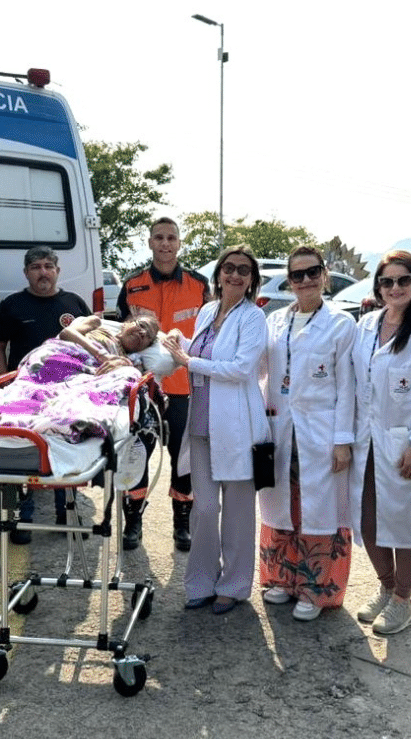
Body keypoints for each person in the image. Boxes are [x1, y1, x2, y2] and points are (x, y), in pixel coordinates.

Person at [163, 245, 271, 615]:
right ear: (219, 274)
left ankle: (234, 586)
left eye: (243, 270)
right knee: (205, 509)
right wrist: (180, 342)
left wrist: (189, 360)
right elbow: (203, 354)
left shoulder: (253, 318)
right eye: (229, 268)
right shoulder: (209, 310)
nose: (235, 275)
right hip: (201, 425)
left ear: (252, 280)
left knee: (239, 512)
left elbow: (240, 369)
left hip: (237, 427)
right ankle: (200, 582)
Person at [350, 250, 411, 634]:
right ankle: (386, 588)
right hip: (368, 440)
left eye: (403, 280)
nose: (395, 288)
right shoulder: (367, 325)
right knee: (369, 519)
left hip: (406, 442)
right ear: (378, 287)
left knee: (405, 525)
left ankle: (404, 601)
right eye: (387, 281)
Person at [257, 245, 356, 622]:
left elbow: (347, 387)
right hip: (282, 425)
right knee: (283, 503)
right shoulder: (276, 321)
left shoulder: (341, 324)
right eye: (296, 275)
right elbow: (261, 370)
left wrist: (343, 440)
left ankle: (317, 589)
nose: (304, 281)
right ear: (289, 280)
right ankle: (283, 579)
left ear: (324, 275)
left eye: (311, 272)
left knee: (320, 509)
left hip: (321, 430)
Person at [117, 217, 210, 552]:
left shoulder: (199, 285)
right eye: (159, 238)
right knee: (137, 452)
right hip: (141, 389)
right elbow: (122, 336)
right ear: (150, 243)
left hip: (184, 387)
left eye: (172, 238)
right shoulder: (133, 284)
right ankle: (133, 523)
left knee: (183, 458)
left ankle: (181, 523)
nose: (166, 244)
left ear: (179, 243)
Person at [0, 246, 91, 543]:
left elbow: (91, 343)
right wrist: (2, 383)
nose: (43, 272)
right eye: (36, 267)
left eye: (49, 266)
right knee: (25, 455)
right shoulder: (12, 305)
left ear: (58, 271)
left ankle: (67, 512)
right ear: (26, 273)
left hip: (67, 393)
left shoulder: (74, 304)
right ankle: (24, 516)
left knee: (66, 451)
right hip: (24, 394)